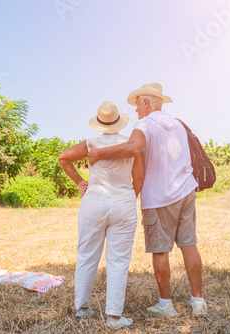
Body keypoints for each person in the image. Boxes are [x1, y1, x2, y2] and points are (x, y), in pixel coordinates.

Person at [87, 83, 208, 318]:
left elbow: (133, 148)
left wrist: (100, 153)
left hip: (160, 196)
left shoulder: (145, 124)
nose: (135, 111)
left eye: (136, 105)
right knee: (189, 245)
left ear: (145, 102)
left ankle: (166, 305)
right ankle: (198, 302)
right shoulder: (179, 124)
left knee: (160, 251)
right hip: (186, 191)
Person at [58, 101, 144, 329]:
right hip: (123, 203)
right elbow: (140, 178)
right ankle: (114, 318)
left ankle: (81, 310)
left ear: (99, 123)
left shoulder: (90, 144)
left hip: (93, 203)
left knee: (86, 255)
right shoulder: (130, 143)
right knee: (118, 261)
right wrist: (126, 197)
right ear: (119, 121)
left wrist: (80, 182)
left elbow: (63, 158)